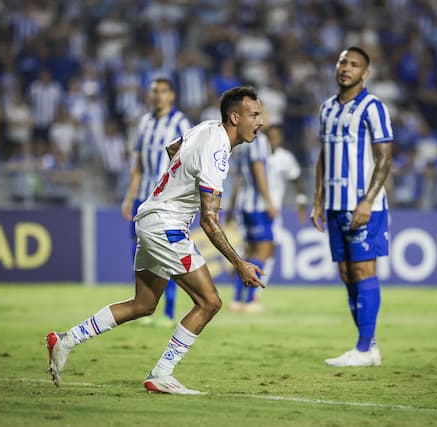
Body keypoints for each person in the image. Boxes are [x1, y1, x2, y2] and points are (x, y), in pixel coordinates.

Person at [47, 86, 265, 394]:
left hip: (149, 217)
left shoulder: (206, 127)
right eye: (254, 115)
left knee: (144, 304)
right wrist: (238, 262)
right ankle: (162, 373)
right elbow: (209, 221)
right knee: (209, 301)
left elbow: (172, 149)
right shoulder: (217, 152)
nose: (260, 122)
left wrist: (179, 182)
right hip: (167, 226)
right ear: (234, 117)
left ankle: (66, 340)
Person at [310, 47, 393, 367]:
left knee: (363, 271)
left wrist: (368, 200)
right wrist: (318, 198)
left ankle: (363, 348)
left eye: (354, 64)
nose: (346, 68)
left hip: (363, 205)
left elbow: (385, 158)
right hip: (333, 204)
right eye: (343, 62)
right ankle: (368, 347)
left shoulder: (373, 107)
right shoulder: (327, 108)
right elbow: (323, 155)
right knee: (346, 273)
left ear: (365, 74)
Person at [120, 78, 191, 326]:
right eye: (154, 92)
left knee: (168, 252)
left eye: (163, 91)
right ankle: (145, 302)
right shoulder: (145, 122)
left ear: (172, 95)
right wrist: (129, 197)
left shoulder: (181, 123)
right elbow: (137, 165)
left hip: (166, 199)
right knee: (138, 249)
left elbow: (188, 163)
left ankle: (169, 311)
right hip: (142, 197)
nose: (158, 96)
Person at [226, 130, 275, 313]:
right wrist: (269, 200)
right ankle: (250, 299)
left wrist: (232, 205)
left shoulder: (241, 142)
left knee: (249, 252)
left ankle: (238, 299)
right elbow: (258, 169)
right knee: (264, 252)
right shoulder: (260, 140)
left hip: (243, 205)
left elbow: (238, 178)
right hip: (258, 206)